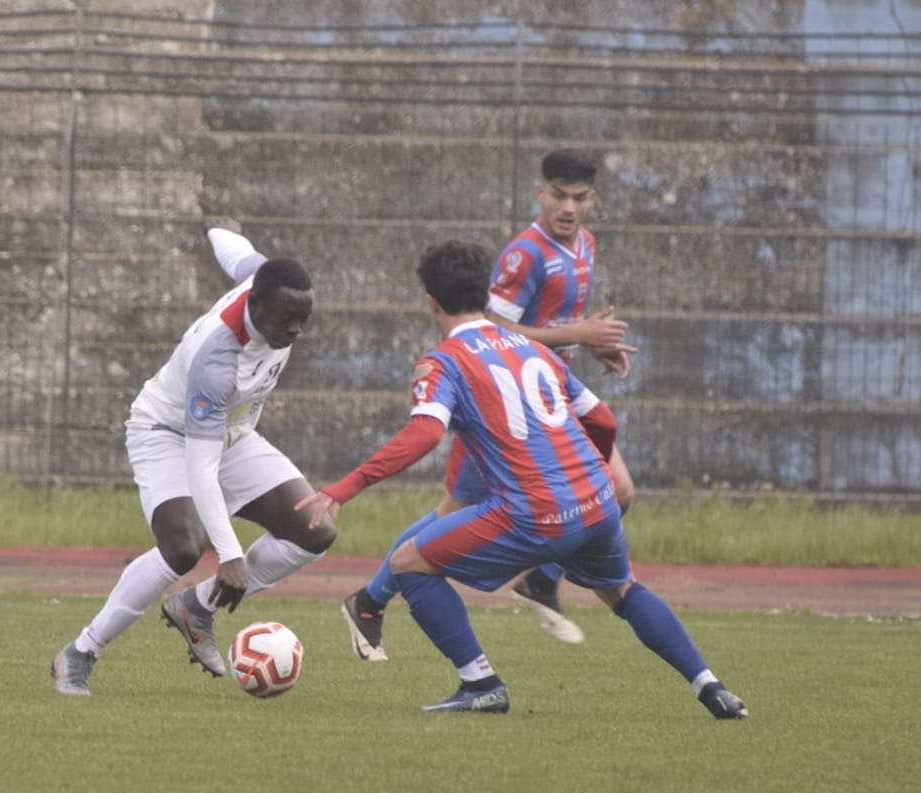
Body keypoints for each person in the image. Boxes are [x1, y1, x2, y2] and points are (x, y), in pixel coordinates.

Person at [298, 240, 746, 719]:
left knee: (409, 563)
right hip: (598, 500)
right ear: (486, 294)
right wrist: (583, 474)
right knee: (623, 590)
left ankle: (481, 684)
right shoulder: (536, 350)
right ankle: (712, 687)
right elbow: (603, 420)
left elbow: (425, 433)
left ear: (431, 302)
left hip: (536, 513)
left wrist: (344, 488)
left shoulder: (445, 360)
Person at [340, 148, 638, 659]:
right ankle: (371, 599)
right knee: (450, 514)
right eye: (559, 195)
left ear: (593, 199)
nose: (568, 207)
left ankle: (540, 580)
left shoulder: (584, 245)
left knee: (620, 490)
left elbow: (556, 325)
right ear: (540, 193)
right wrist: (577, 333)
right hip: (501, 404)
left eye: (579, 197)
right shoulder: (525, 255)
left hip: (548, 401)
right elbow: (491, 326)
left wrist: (590, 344)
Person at [50, 220, 337, 696]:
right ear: (255, 304)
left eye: (303, 318)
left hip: (232, 434)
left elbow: (239, 255)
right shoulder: (218, 359)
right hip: (167, 433)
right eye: (288, 317)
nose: (296, 329)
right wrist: (230, 556)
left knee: (315, 528)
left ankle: (197, 605)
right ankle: (80, 652)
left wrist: (217, 230)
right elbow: (201, 470)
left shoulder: (264, 283)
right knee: (184, 548)